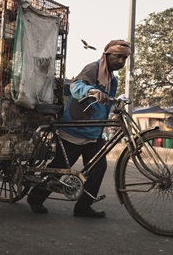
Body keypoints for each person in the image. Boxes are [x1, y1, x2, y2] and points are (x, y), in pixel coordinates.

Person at [27, 39, 131, 218]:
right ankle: (35, 198)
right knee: (60, 167)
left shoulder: (111, 79)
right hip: (75, 129)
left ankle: (83, 206)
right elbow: (76, 86)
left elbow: (104, 103)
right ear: (107, 55)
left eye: (124, 58)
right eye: (118, 57)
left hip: (94, 132)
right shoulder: (93, 69)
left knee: (98, 168)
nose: (121, 61)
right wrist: (91, 91)